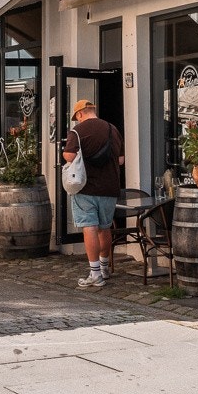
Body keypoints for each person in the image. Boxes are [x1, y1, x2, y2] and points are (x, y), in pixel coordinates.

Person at [63, 99, 123, 288]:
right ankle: (105, 268)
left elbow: (70, 156)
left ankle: (95, 273)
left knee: (89, 227)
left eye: (77, 118)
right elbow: (120, 160)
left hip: (86, 188)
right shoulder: (113, 130)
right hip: (110, 187)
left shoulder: (77, 132)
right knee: (104, 227)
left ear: (80, 114)